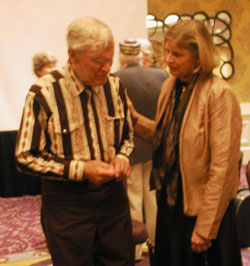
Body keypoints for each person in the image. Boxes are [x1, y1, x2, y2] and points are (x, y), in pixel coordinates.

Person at [15, 17, 135, 266]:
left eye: (109, 59)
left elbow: (127, 137)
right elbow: (25, 156)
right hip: (67, 205)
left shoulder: (115, 86)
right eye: (97, 61)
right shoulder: (44, 93)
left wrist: (123, 156)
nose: (106, 67)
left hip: (113, 200)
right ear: (72, 55)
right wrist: (80, 169)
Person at [127, 20, 243, 266]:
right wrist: (134, 119)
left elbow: (222, 169)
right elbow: (165, 137)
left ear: (199, 55)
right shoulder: (171, 86)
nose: (168, 59)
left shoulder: (219, 94)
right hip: (172, 204)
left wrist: (205, 228)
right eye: (167, 51)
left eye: (177, 54)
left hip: (204, 211)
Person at [115, 38, 168, 261]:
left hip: (132, 150)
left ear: (121, 57)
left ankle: (136, 250)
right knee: (153, 200)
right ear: (139, 55)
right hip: (156, 146)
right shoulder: (161, 76)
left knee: (133, 200)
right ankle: (157, 244)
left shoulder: (115, 78)